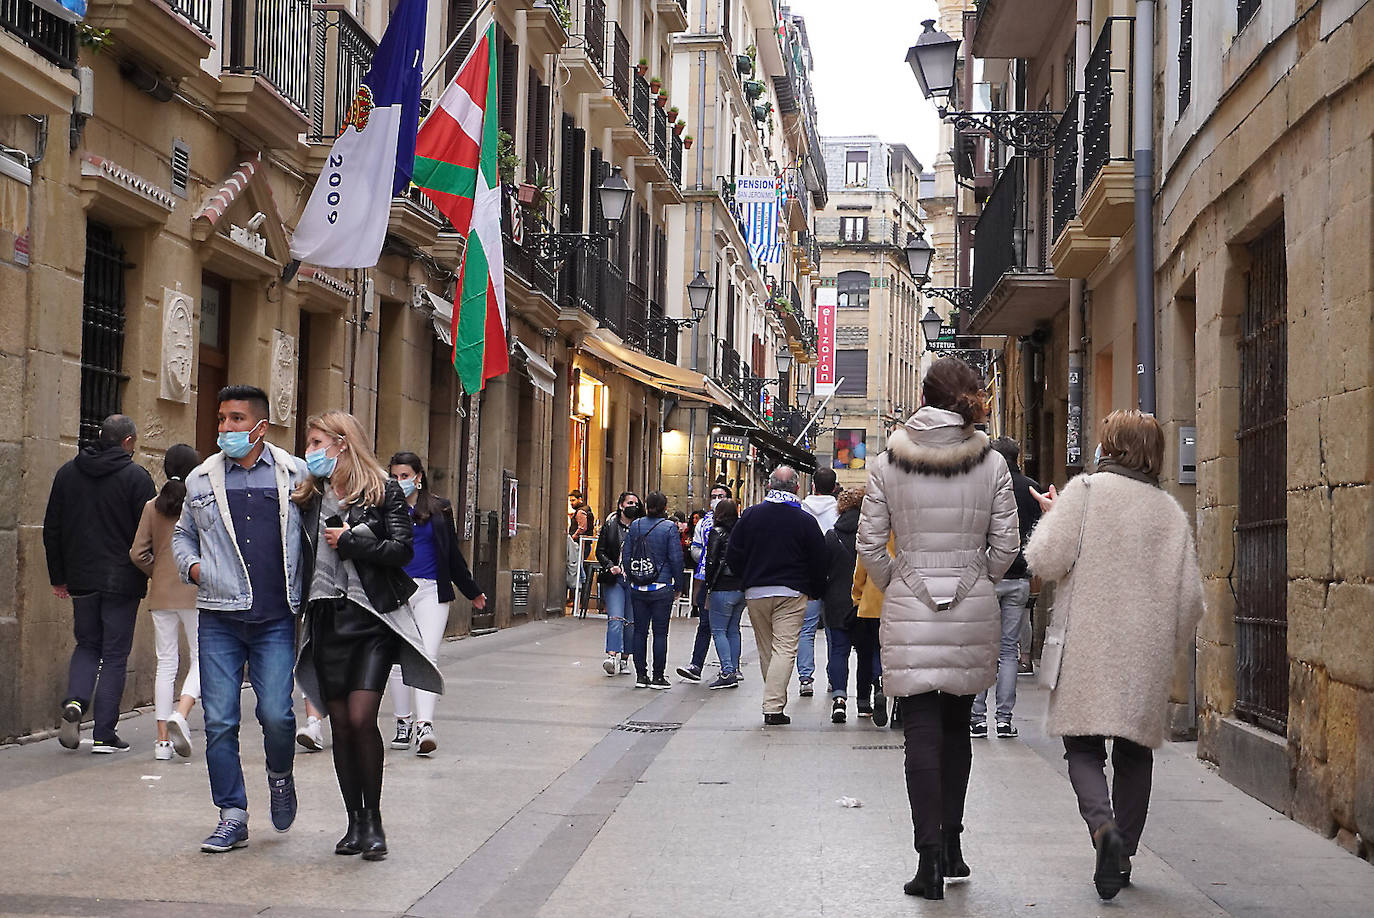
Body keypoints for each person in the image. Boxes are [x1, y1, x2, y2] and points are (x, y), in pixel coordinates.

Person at [1025, 410, 1204, 901]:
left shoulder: (1084, 494)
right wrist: (1164, 642)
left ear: (1110, 447)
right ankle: (1121, 857)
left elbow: (1043, 560)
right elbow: (1190, 600)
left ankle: (1103, 829)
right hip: (1142, 653)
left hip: (1086, 644)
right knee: (1133, 753)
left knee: (1081, 748)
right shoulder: (1169, 511)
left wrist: (1050, 518)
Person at [857, 357, 1018, 900]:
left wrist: (903, 579)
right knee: (957, 727)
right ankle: (953, 846)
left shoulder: (887, 463)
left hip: (909, 609)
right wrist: (975, 579)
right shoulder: (992, 463)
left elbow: (869, 545)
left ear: (924, 397)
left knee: (920, 731)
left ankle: (927, 860)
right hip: (972, 606)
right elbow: (1006, 548)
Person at [292, 411, 442, 861]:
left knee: (361, 719)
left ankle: (374, 820)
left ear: (342, 443)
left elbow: (402, 550)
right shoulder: (308, 495)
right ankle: (353, 822)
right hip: (325, 620)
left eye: (318, 442)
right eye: (309, 443)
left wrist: (354, 542)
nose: (311, 451)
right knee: (340, 725)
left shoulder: (382, 491)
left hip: (372, 618)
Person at [172, 386, 309, 852]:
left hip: (275, 617)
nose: (225, 429)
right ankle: (232, 814)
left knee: (276, 713)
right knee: (221, 721)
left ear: (259, 427)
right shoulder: (201, 479)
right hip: (219, 617)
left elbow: (318, 529)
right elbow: (182, 534)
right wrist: (193, 567)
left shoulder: (296, 474)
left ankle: (280, 775)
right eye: (221, 419)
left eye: (235, 419)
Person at [44, 414, 157, 754]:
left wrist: (58, 577)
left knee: (87, 644)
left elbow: (52, 528)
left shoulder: (68, 473)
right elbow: (149, 530)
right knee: (114, 654)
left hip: (80, 576)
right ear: (127, 442)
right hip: (122, 578)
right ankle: (104, 734)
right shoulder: (137, 478)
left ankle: (76, 701)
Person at [385, 451, 486, 756]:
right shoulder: (385, 507)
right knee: (397, 661)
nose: (399, 482)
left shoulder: (440, 508)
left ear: (418, 476)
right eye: (394, 476)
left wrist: (471, 590)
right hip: (395, 591)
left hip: (431, 591)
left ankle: (424, 725)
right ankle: (403, 721)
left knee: (427, 656)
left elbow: (451, 554)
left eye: (405, 476)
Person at [725, 465, 828, 726]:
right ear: (796, 488)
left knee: (766, 649)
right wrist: (816, 590)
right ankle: (773, 706)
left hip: (756, 591)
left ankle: (773, 700)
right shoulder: (805, 521)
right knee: (785, 648)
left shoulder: (750, 516)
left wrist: (745, 578)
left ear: (769, 486)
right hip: (792, 592)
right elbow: (819, 559)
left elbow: (733, 553)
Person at [130, 443, 202, 760]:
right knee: (203, 657)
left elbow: (137, 552)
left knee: (166, 663)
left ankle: (161, 742)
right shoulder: (198, 505)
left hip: (160, 593)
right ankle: (181, 713)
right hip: (195, 591)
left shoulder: (152, 507)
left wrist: (156, 571)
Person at [970, 436, 1042, 739]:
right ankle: (1003, 719)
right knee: (1009, 652)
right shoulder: (1031, 488)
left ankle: (976, 718)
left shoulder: (982, 487)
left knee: (981, 650)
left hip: (987, 576)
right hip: (1019, 577)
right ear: (1018, 457)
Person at [823, 487, 883, 725]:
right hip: (867, 602)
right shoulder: (875, 536)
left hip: (836, 603)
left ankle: (839, 699)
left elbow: (822, 570)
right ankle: (867, 699)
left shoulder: (831, 536)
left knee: (839, 651)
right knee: (869, 652)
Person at [620, 491, 683, 689]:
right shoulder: (669, 528)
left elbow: (626, 555)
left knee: (640, 632)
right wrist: (678, 585)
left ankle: (641, 675)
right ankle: (658, 676)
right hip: (661, 587)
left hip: (639, 587)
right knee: (660, 633)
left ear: (646, 505)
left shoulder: (636, 525)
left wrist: (632, 578)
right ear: (665, 507)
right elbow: (676, 558)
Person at [677, 483, 732, 682]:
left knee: (729, 627)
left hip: (729, 583)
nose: (716, 499)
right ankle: (697, 664)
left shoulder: (738, 523)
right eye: (714, 495)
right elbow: (696, 549)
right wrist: (706, 560)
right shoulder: (703, 523)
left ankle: (730, 667)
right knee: (706, 623)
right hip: (708, 581)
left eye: (721, 496)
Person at [798, 467, 840, 696]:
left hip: (808, 575)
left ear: (813, 485)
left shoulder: (802, 508)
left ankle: (806, 678)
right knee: (834, 629)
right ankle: (835, 677)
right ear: (834, 487)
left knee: (806, 629)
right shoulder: (839, 510)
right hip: (834, 575)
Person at [850, 530, 894, 728]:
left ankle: (864, 701)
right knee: (894, 654)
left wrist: (857, 597)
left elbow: (860, 572)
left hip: (871, 603)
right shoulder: (906, 531)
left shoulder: (872, 533)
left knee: (866, 654)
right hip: (899, 604)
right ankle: (891, 693)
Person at [595, 491, 641, 676]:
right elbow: (601, 551)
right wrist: (610, 565)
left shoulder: (640, 527)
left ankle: (624, 659)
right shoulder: (610, 526)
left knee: (630, 622)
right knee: (615, 618)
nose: (633, 506)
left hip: (634, 580)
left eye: (636, 503)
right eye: (629, 503)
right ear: (621, 505)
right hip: (615, 579)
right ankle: (612, 656)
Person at [701, 498, 743, 690]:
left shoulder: (716, 532)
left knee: (718, 630)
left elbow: (711, 560)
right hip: (741, 587)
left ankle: (727, 671)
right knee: (733, 629)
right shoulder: (742, 531)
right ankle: (734, 668)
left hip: (722, 586)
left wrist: (709, 584)